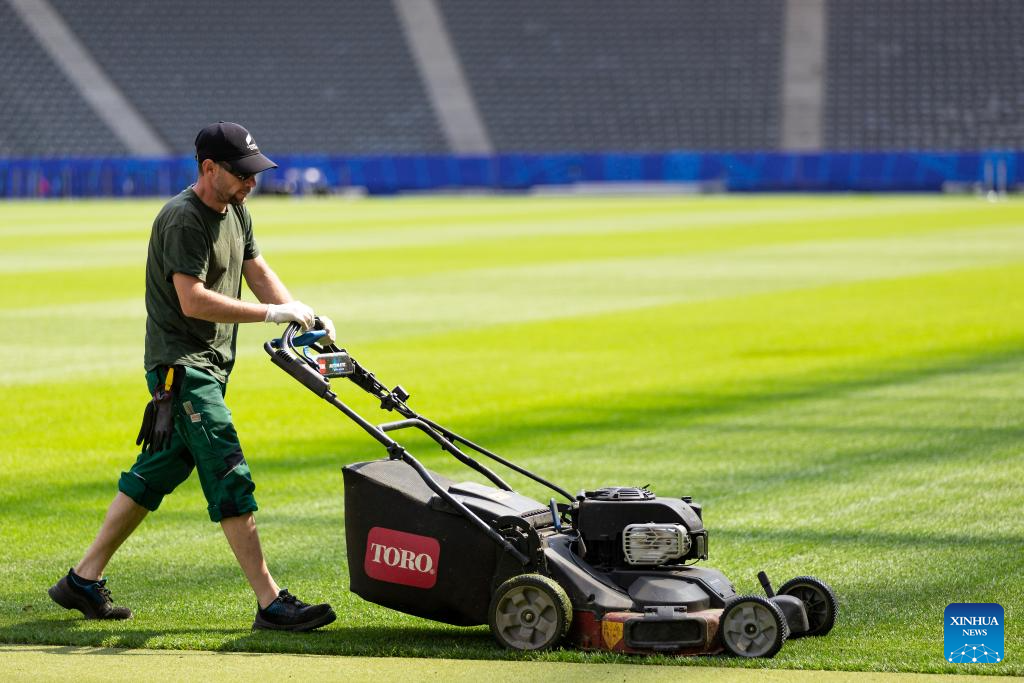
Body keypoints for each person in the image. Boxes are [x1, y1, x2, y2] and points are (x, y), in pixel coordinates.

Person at [48, 122, 337, 632]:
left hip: (210, 366)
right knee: (229, 470)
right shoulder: (184, 219)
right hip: (182, 370)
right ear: (209, 169)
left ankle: (81, 581)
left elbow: (255, 268)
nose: (252, 182)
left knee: (159, 470)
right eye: (242, 173)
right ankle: (271, 603)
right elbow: (193, 300)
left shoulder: (237, 209)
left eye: (254, 172)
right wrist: (271, 317)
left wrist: (301, 313)